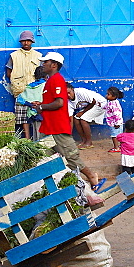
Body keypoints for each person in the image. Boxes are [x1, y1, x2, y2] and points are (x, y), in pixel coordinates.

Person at [32, 52, 105, 204]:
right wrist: (41, 106)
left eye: (45, 62)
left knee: (71, 158)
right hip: (49, 128)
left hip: (58, 128)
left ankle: (91, 176)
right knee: (44, 158)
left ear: (54, 65)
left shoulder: (57, 80)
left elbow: (59, 103)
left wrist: (42, 107)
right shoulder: (50, 81)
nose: (43, 64)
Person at [5, 30, 41, 134]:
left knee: (36, 114)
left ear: (32, 42)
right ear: (21, 42)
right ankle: (27, 138)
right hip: (19, 90)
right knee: (22, 117)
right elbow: (9, 72)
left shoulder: (38, 55)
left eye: (28, 41)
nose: (26, 43)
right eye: (24, 41)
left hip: (35, 91)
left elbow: (41, 72)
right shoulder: (14, 55)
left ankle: (37, 137)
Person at [68, 83, 107, 148]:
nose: (68, 95)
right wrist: (69, 135)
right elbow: (70, 118)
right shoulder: (68, 101)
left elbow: (93, 101)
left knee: (83, 120)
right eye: (65, 94)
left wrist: (83, 112)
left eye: (69, 92)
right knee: (76, 119)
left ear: (72, 89)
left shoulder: (80, 92)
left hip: (99, 104)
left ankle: (89, 142)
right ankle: (84, 140)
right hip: (90, 107)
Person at [15, 65, 48, 140]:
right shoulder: (46, 85)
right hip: (43, 113)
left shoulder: (29, 86)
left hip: (32, 113)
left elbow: (19, 99)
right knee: (43, 135)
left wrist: (30, 104)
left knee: (36, 133)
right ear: (46, 76)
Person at [104, 87, 125, 153]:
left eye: (108, 94)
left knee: (114, 135)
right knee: (118, 135)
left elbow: (117, 114)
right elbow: (106, 107)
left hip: (115, 123)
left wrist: (117, 123)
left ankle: (116, 147)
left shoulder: (114, 104)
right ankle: (121, 146)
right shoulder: (111, 102)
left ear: (114, 96)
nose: (106, 95)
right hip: (114, 122)